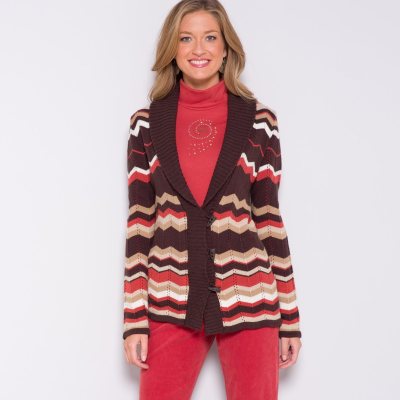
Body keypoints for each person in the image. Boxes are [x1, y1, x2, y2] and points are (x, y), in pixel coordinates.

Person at [123, 1, 303, 398]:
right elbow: (140, 224)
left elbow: (269, 219)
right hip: (168, 297)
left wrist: (289, 316)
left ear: (226, 49)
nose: (198, 49)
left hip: (251, 295)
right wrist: (135, 318)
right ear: (172, 49)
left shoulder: (260, 123)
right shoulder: (145, 125)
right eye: (185, 38)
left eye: (210, 37)